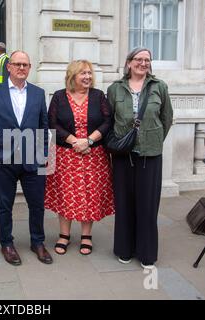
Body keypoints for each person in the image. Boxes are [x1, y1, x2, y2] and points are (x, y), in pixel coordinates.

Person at [0, 50, 52, 266]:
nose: (22, 68)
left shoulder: (39, 93)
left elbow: (43, 125)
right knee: (4, 205)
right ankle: (7, 244)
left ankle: (37, 242)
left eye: (25, 65)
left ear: (30, 68)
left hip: (33, 158)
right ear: (8, 67)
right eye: (17, 64)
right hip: (3, 161)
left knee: (37, 204)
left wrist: (45, 154)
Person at [107, 47, 173, 269]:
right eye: (138, 59)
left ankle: (146, 253)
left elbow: (167, 118)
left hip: (150, 155)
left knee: (147, 204)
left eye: (147, 60)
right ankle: (124, 249)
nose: (143, 63)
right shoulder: (115, 89)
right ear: (128, 63)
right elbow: (110, 119)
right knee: (124, 203)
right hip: (123, 155)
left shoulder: (159, 87)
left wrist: (152, 139)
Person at [44, 60, 115, 256]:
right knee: (65, 195)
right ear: (72, 76)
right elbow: (52, 122)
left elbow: (108, 120)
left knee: (90, 194)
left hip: (94, 155)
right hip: (66, 155)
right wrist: (74, 140)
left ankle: (86, 236)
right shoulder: (59, 96)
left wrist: (89, 140)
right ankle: (64, 235)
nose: (87, 77)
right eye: (83, 73)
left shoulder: (98, 96)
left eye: (89, 73)